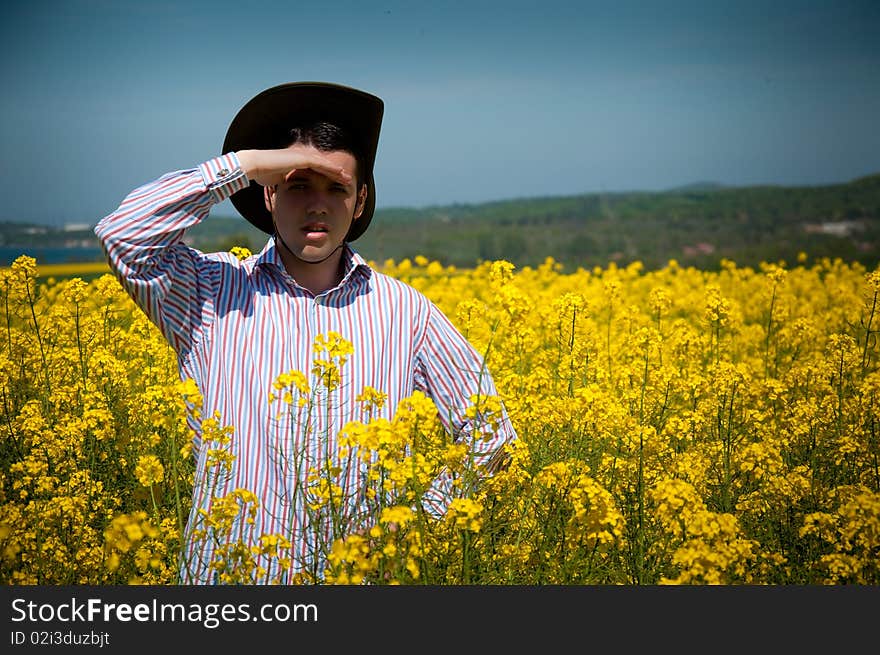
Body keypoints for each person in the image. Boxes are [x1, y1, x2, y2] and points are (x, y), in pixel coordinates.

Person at [94, 81, 517, 584]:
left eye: (336, 188)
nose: (317, 205)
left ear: (359, 202)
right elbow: (125, 235)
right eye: (298, 186)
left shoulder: (406, 312)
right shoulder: (208, 293)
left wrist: (413, 522)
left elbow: (492, 438)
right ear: (268, 194)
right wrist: (245, 165)